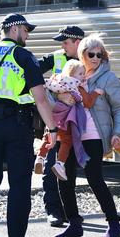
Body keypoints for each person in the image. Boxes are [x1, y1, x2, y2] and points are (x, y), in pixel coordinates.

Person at [0, 13, 59, 237]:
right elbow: (40, 99)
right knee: (19, 184)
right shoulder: (24, 56)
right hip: (17, 127)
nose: (27, 36)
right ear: (15, 29)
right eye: (26, 31)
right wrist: (53, 129)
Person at [56, 34, 120, 237]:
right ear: (82, 55)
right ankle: (74, 223)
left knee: (95, 178)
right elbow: (55, 95)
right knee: (64, 177)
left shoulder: (108, 78)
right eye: (91, 54)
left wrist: (118, 133)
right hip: (70, 133)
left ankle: (114, 224)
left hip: (93, 135)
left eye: (100, 54)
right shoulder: (72, 73)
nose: (96, 58)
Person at [38, 25, 85, 227]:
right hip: (55, 120)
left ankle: (68, 212)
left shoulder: (89, 58)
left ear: (77, 42)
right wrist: (57, 94)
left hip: (76, 124)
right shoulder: (55, 58)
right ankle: (54, 211)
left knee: (68, 168)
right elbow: (32, 74)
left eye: (65, 42)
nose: (62, 46)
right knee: (51, 164)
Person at [35, 59, 104, 181]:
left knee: (48, 138)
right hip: (65, 120)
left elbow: (46, 86)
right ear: (72, 74)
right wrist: (95, 93)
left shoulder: (57, 80)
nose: (83, 76)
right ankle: (60, 164)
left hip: (53, 118)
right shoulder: (74, 85)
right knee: (67, 142)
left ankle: (40, 157)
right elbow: (86, 102)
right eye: (81, 74)